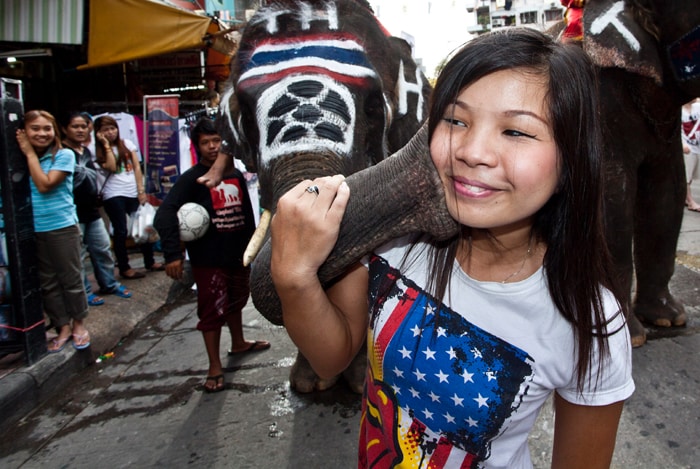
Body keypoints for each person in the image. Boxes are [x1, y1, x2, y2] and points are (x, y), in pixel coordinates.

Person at [270, 28, 634, 468]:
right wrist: (294, 278)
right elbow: (332, 356)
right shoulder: (394, 239)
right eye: (456, 120)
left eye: (516, 132)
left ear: (572, 158)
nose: (472, 151)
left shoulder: (588, 322)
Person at [153, 117, 270, 393]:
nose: (212, 147)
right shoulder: (192, 179)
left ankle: (239, 342)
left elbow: (246, 214)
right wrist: (173, 254)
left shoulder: (237, 174)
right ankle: (214, 366)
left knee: (236, 300)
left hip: (237, 254)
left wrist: (253, 247)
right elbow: (164, 213)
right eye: (205, 143)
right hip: (208, 258)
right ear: (197, 147)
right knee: (212, 310)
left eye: (216, 141)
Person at [16, 110, 90, 352]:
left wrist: (28, 153)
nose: (42, 133)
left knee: (70, 278)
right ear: (24, 132)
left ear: (55, 131)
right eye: (35, 129)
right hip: (33, 228)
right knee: (47, 283)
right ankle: (62, 326)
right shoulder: (21, 158)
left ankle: (78, 324)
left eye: (47, 128)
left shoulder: (64, 155)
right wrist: (27, 155)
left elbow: (45, 184)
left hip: (62, 226)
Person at [60, 112, 133, 305]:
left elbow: (110, 165)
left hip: (91, 210)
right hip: (72, 213)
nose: (80, 130)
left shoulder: (85, 151)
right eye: (75, 126)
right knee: (78, 256)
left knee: (102, 249)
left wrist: (105, 143)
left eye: (84, 126)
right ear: (64, 129)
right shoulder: (60, 152)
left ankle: (109, 284)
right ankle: (84, 292)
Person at [93, 115, 163, 279]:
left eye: (112, 128)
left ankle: (150, 261)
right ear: (98, 133)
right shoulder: (97, 151)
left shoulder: (127, 144)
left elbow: (137, 168)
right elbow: (111, 166)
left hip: (132, 191)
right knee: (121, 230)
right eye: (105, 130)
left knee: (144, 225)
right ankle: (124, 267)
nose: (111, 132)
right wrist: (105, 144)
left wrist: (141, 190)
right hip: (113, 194)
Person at [681, 98, 700, 212]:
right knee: (686, 177)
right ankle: (690, 201)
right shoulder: (680, 112)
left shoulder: (697, 108)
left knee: (691, 175)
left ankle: (685, 197)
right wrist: (682, 145)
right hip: (687, 147)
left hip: (697, 147)